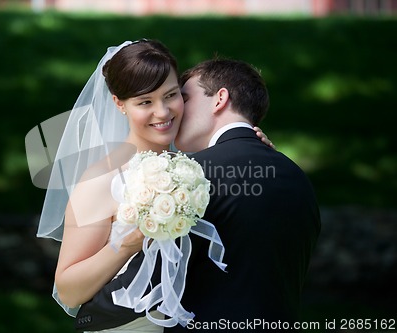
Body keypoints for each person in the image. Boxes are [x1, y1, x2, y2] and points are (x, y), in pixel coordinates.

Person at [37, 40, 273, 333]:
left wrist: (254, 149)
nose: (162, 112)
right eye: (145, 102)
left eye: (171, 95)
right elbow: (70, 289)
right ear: (119, 104)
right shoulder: (101, 180)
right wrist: (127, 244)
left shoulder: (193, 169)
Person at [168, 59, 321, 331]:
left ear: (220, 99)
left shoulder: (191, 175)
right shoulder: (298, 177)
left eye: (185, 98)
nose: (175, 111)